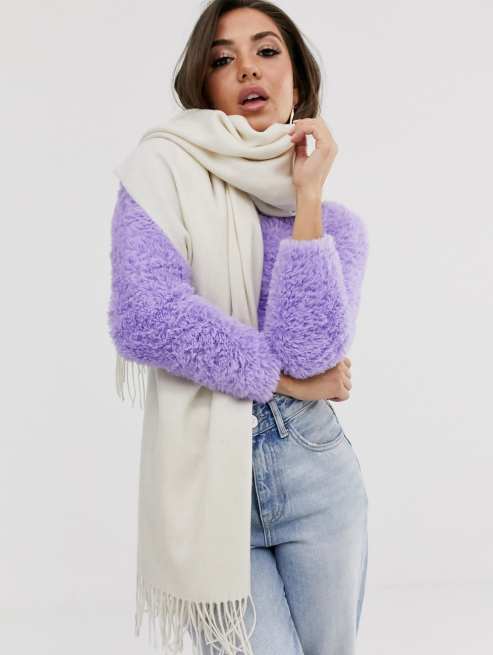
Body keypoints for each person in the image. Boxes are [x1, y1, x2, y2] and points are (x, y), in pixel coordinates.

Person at [108, 2, 369, 654]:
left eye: (266, 50)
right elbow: (145, 315)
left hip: (315, 467)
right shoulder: (161, 172)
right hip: (206, 478)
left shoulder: (334, 226)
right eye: (223, 59)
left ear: (297, 81)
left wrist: (307, 197)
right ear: (204, 86)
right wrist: (282, 379)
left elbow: (312, 351)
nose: (247, 68)